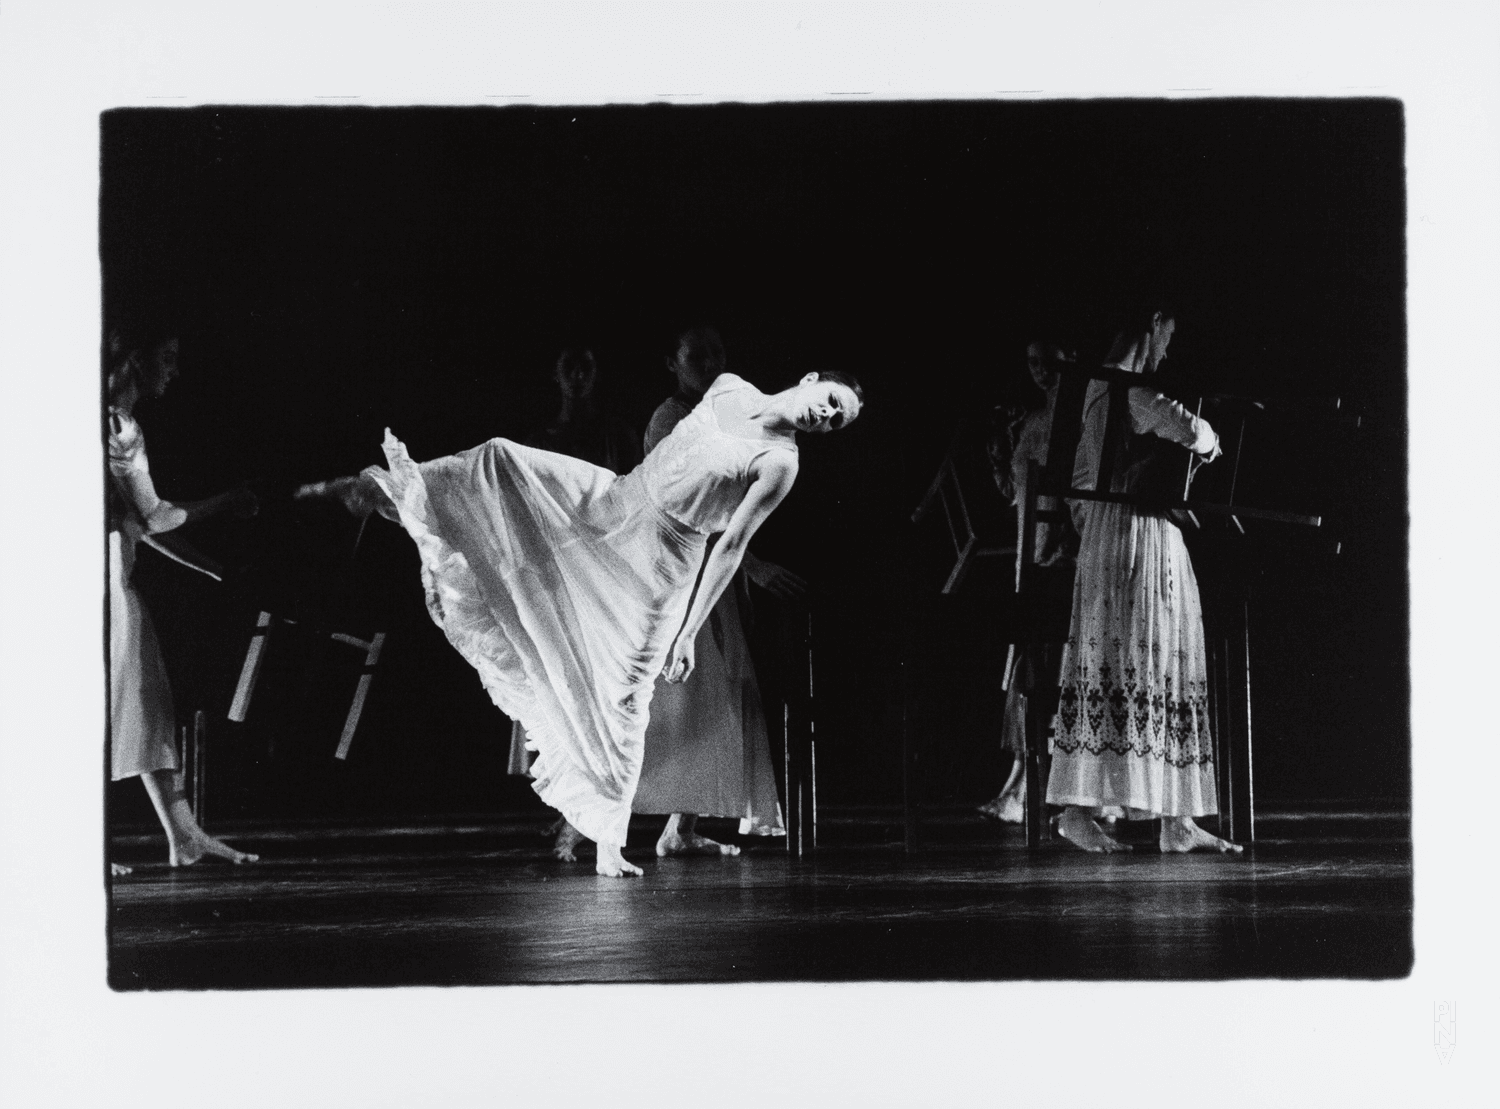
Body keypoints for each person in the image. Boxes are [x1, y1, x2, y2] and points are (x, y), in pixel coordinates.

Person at [296, 361, 863, 876]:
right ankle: (379, 492)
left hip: (663, 562)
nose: (828, 416)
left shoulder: (780, 462)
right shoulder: (729, 386)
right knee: (501, 460)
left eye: (838, 422)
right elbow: (667, 452)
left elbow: (732, 544)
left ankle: (609, 843)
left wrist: (688, 629)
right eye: (834, 400)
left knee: (626, 694)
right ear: (813, 379)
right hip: (617, 502)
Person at [1046, 310, 1242, 854]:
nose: (1168, 348)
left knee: (1156, 661)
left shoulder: (1096, 388)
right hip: (1134, 533)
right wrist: (1207, 440)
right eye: (1168, 335)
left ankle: (1175, 819)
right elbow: (1189, 427)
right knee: (1127, 658)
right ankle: (1076, 809)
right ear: (1153, 323)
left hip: (1131, 530)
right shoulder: (1121, 387)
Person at [632, 327, 802, 857]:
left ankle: (680, 828)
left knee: (721, 692)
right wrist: (749, 565)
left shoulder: (735, 408)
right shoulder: (670, 419)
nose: (707, 364)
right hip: (676, 566)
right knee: (673, 695)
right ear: (672, 363)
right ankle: (598, 818)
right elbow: (685, 507)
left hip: (714, 576)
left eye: (715, 354)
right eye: (694, 357)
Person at [107, 333, 261, 873]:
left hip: (113, 573)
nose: (172, 372)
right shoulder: (114, 425)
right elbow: (153, 516)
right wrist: (225, 501)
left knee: (144, 699)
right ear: (133, 358)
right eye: (166, 359)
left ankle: (185, 834)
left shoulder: (113, 420)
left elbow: (140, 522)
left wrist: (213, 569)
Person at [503, 348, 644, 861]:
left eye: (588, 366)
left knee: (599, 688)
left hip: (602, 574)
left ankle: (583, 814)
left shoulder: (617, 434)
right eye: (570, 367)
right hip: (552, 571)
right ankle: (566, 803)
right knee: (556, 682)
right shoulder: (541, 438)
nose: (580, 377)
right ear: (557, 374)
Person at [977, 340, 1080, 824]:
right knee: (1027, 666)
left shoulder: (1078, 418)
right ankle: (1018, 785)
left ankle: (1042, 790)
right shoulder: (1033, 418)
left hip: (1061, 555)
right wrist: (1000, 454)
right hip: (1029, 551)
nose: (1041, 372)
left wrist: (1063, 546)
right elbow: (1015, 495)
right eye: (1033, 362)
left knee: (1051, 667)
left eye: (1050, 360)